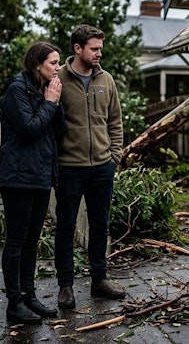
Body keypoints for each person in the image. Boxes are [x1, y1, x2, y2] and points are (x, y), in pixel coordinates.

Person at [54, 24, 125, 309]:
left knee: (100, 225)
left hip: (102, 167)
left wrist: (114, 156)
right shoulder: (58, 79)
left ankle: (99, 280)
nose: (99, 53)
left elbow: (115, 121)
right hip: (69, 167)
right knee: (65, 226)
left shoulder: (106, 80)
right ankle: (65, 286)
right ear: (78, 48)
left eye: (100, 48)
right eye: (94, 48)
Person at [0, 42, 64, 324]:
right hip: (18, 177)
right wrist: (50, 103)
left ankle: (29, 296)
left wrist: (54, 102)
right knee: (16, 241)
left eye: (59, 62)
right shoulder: (17, 90)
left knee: (32, 241)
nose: (58, 68)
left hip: (40, 175)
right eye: (53, 63)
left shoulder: (44, 90)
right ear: (37, 65)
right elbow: (29, 129)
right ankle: (14, 303)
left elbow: (59, 130)